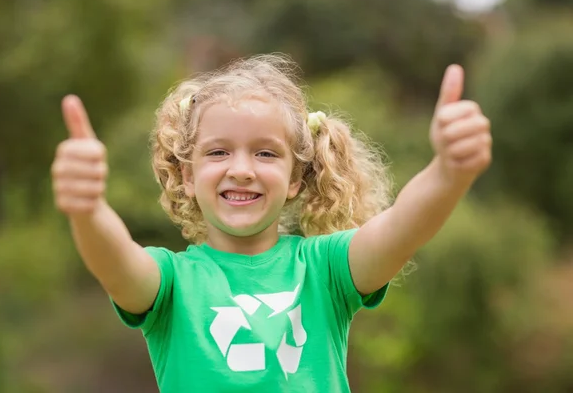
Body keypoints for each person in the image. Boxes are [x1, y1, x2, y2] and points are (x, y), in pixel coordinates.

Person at [51, 54, 492, 392]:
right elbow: (115, 262)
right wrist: (88, 210)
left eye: (265, 153)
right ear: (187, 175)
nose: (241, 169)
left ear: (296, 179)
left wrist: (449, 172)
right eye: (218, 152)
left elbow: (403, 226)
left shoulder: (327, 270)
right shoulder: (171, 282)